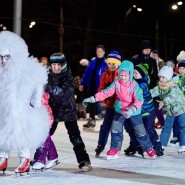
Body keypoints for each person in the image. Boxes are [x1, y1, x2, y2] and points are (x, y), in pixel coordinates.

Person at [83, 60, 156, 160]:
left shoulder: (134, 85)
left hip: (134, 112)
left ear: (130, 75)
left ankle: (148, 148)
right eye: (121, 75)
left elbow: (139, 100)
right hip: (120, 110)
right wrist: (92, 99)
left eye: (125, 76)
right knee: (115, 129)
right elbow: (105, 92)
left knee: (140, 131)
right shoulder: (117, 83)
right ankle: (115, 148)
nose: (123, 78)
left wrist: (132, 109)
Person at [0, 31, 50, 174]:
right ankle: (2, 158)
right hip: (4, 109)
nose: (3, 60)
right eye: (1, 57)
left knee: (20, 132)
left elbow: (38, 79)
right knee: (2, 132)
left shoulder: (22, 69)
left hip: (19, 108)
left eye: (6, 57)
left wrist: (36, 101)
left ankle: (25, 159)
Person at [45, 52, 92, 172]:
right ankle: (40, 159)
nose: (55, 67)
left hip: (67, 110)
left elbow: (64, 92)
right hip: (54, 110)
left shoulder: (68, 76)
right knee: (45, 135)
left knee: (74, 136)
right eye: (53, 65)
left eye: (58, 65)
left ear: (63, 65)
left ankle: (84, 161)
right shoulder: (48, 75)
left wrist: (49, 88)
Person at [124, 64, 163, 157]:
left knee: (149, 130)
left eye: (136, 73)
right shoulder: (133, 82)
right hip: (138, 112)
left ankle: (157, 147)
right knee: (136, 130)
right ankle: (135, 146)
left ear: (142, 75)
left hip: (148, 112)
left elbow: (137, 94)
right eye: (133, 73)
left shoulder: (142, 84)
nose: (134, 75)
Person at [150, 66, 185, 153]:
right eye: (160, 77)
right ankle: (161, 144)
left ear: (168, 78)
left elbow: (171, 96)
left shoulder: (173, 86)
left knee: (182, 127)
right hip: (170, 111)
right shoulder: (160, 86)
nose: (161, 79)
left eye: (163, 77)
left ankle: (183, 144)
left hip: (181, 109)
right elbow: (153, 92)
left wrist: (163, 102)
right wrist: (142, 95)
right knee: (166, 127)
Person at [94, 50, 121, 157]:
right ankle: (101, 145)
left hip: (121, 106)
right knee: (105, 126)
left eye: (113, 63)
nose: (111, 65)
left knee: (125, 127)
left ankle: (135, 144)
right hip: (110, 106)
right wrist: (105, 100)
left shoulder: (122, 74)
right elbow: (101, 89)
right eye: (109, 63)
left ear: (118, 63)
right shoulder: (104, 75)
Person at [79, 45, 107, 128]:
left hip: (99, 86)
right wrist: (82, 83)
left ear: (104, 52)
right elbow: (86, 73)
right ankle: (91, 119)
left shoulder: (106, 63)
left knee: (94, 103)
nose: (99, 53)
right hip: (90, 85)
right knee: (91, 103)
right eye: (97, 51)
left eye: (101, 51)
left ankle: (93, 120)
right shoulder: (93, 61)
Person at [31, 92, 59, 170]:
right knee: (45, 137)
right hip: (37, 113)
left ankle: (40, 160)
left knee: (43, 137)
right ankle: (53, 156)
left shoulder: (41, 87)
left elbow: (42, 99)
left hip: (44, 114)